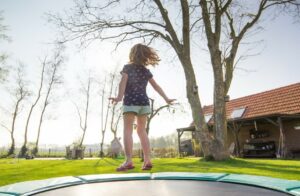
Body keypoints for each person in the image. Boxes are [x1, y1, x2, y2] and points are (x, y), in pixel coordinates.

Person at [109, 43, 175, 171]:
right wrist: (166, 98)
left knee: (127, 130)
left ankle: (128, 161)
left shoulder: (127, 68)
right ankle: (148, 160)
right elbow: (156, 86)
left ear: (132, 54)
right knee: (141, 131)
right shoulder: (146, 71)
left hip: (130, 102)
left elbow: (123, 82)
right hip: (144, 102)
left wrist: (119, 97)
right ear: (145, 56)